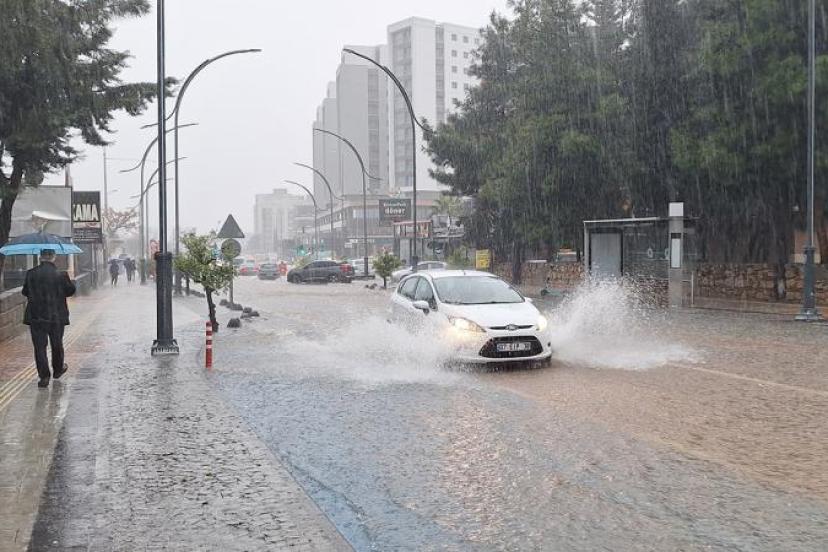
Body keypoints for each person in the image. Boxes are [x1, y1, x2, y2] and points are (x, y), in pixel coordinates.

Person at [22, 249, 76, 388]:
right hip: (56, 315)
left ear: (41, 257)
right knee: (57, 344)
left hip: (36, 316)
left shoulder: (31, 273)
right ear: (53, 257)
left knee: (40, 347)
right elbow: (70, 291)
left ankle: (44, 377)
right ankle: (58, 369)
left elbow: (25, 292)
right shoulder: (61, 274)